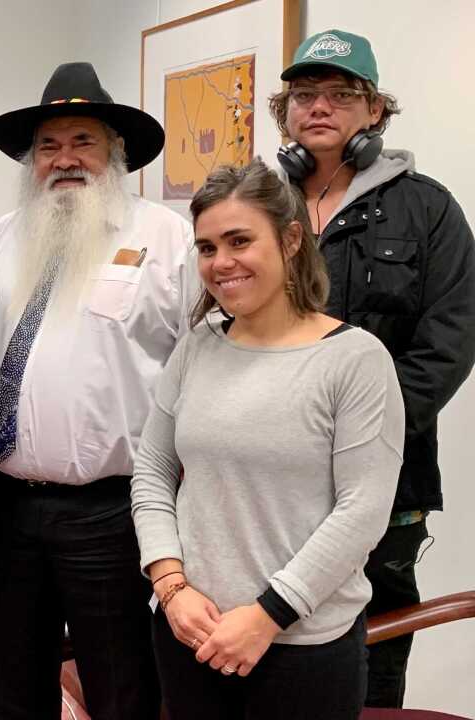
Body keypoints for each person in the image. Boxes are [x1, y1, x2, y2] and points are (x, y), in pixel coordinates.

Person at [131, 158, 406, 719]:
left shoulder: (354, 360)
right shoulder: (197, 348)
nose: (221, 262)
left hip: (302, 647)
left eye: (239, 241)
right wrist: (170, 586)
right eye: (207, 248)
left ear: (290, 241)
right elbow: (153, 470)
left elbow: (363, 510)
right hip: (191, 634)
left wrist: (267, 615)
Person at [0, 62, 194, 720]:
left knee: (119, 679)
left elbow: (200, 365)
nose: (64, 159)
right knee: (16, 680)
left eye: (83, 142)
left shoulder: (167, 238)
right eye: (48, 145)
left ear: (115, 154)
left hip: (111, 511)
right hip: (7, 504)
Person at [269, 29, 475, 708]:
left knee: (376, 636)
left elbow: (451, 337)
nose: (319, 107)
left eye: (340, 94)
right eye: (304, 95)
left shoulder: (427, 208)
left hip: (389, 474)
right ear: (286, 113)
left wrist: (368, 434)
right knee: (267, 622)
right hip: (264, 469)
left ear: (375, 112)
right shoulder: (259, 204)